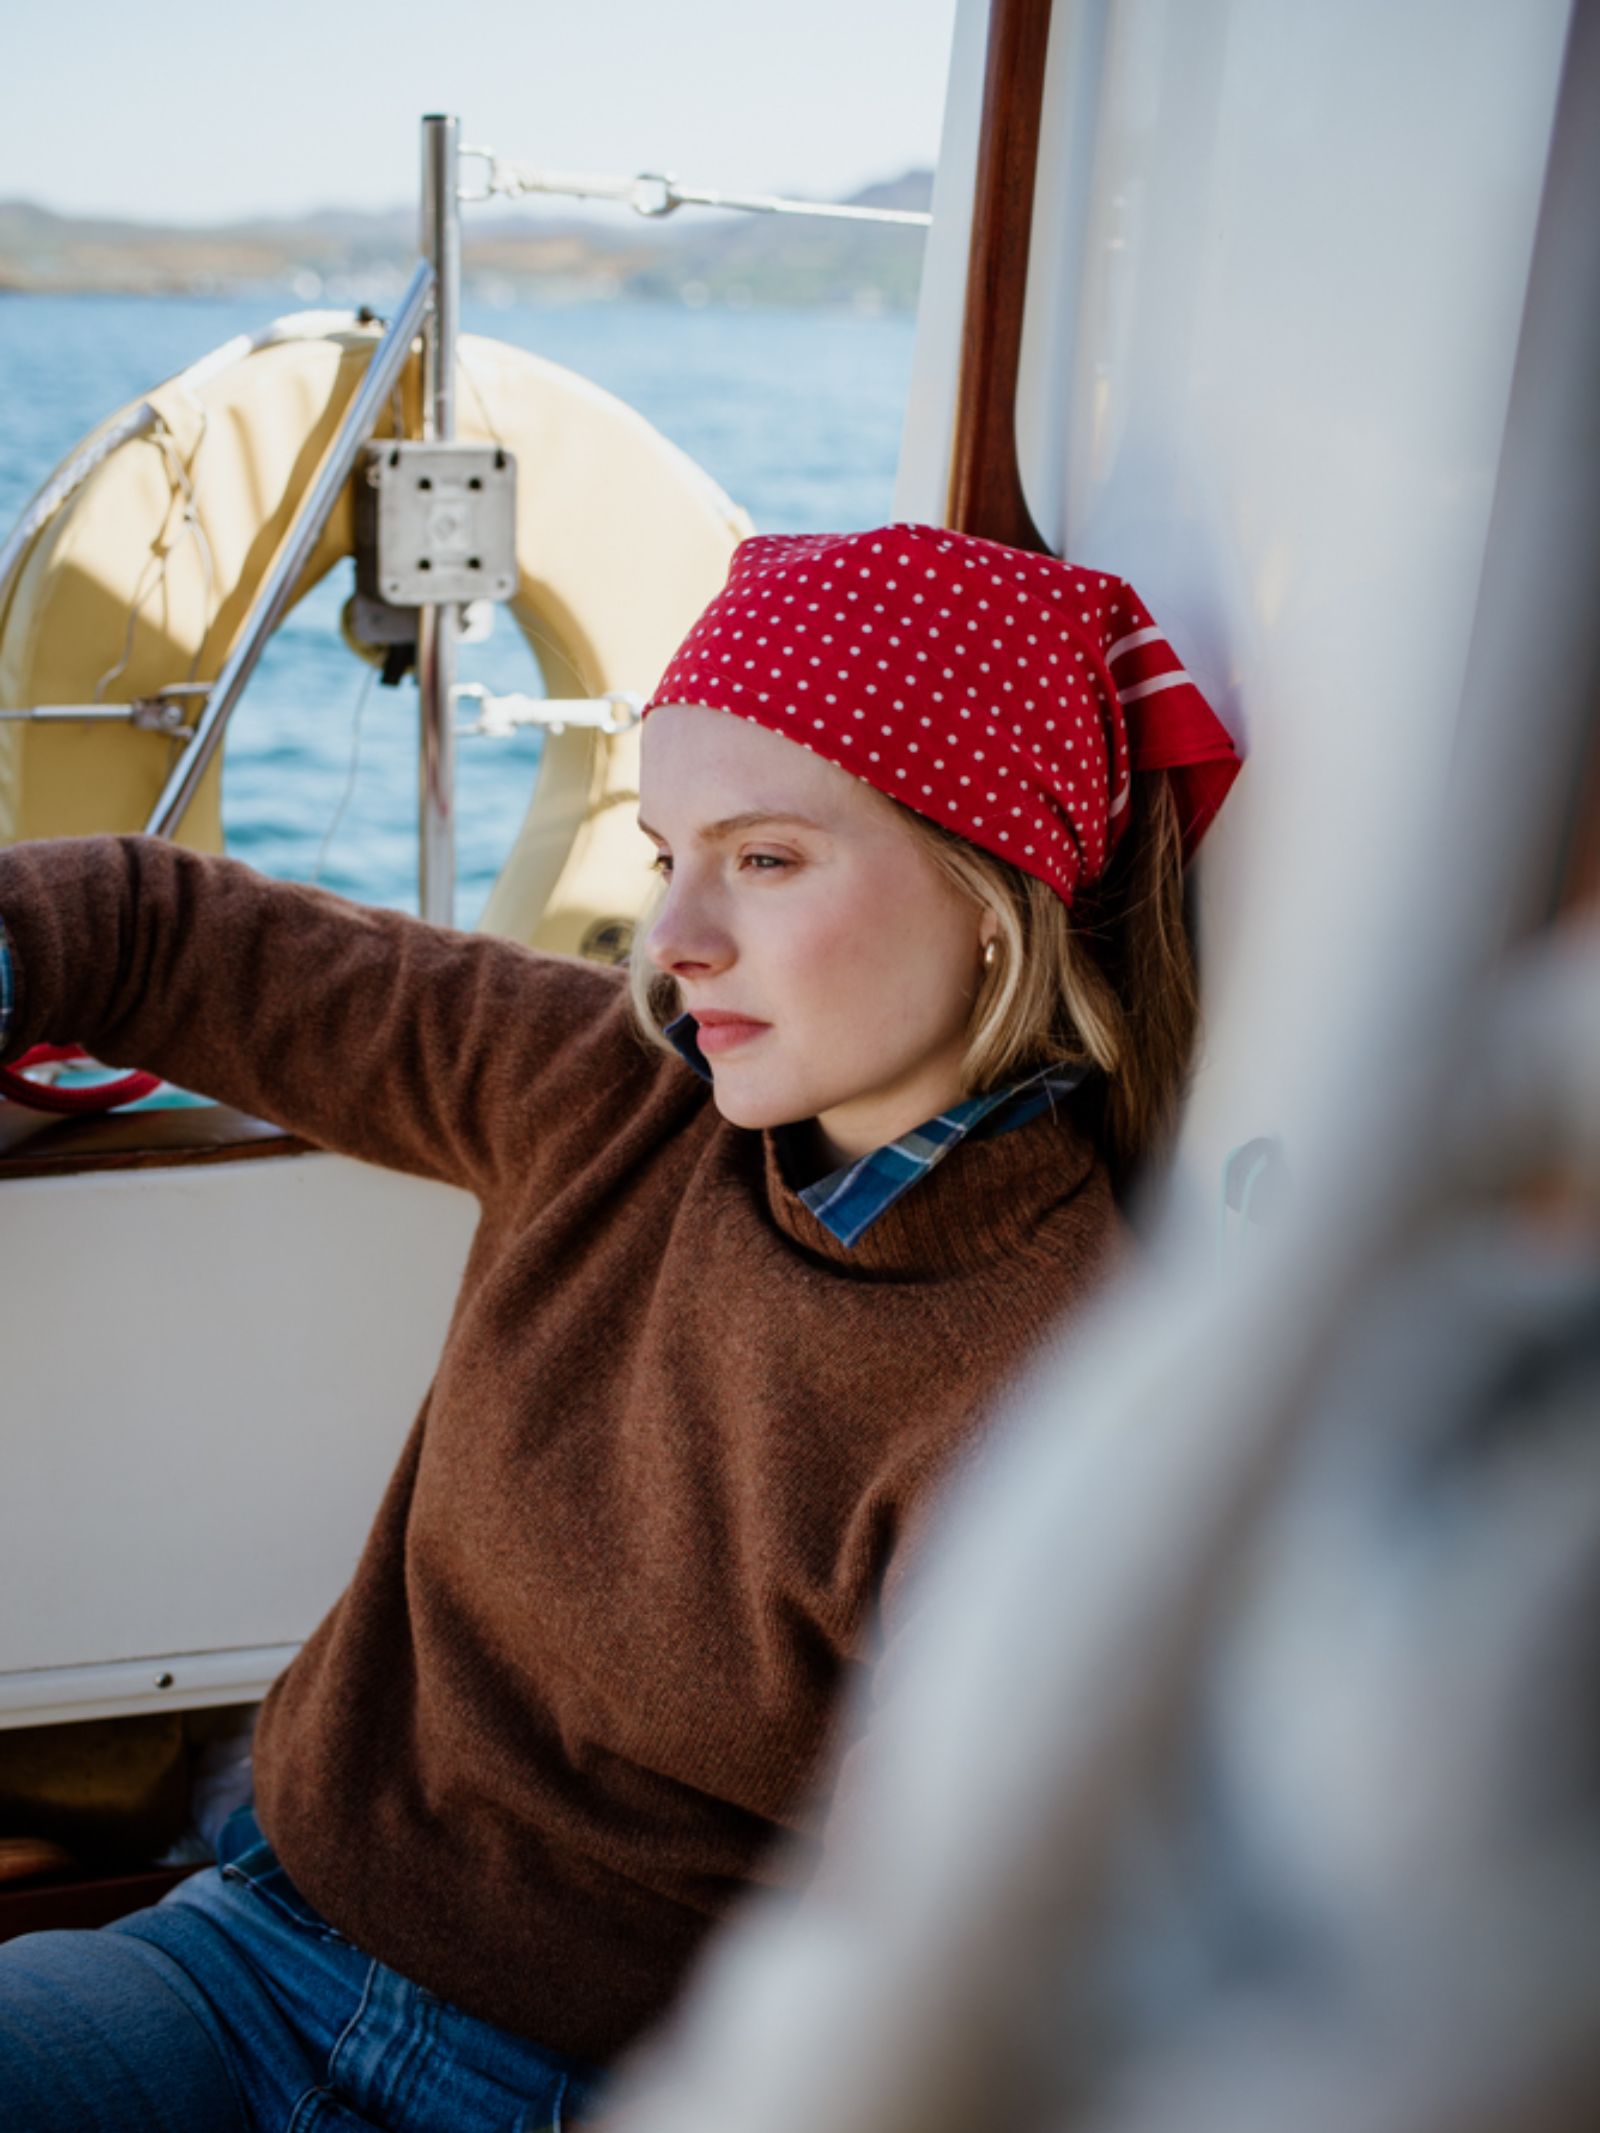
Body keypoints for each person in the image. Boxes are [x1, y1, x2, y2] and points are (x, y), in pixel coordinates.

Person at [0, 522, 1239, 2131]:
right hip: (248, 1954)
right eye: (669, 856)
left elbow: (919, 1953)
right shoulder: (610, 1088)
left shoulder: (1055, 1388)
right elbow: (169, 934)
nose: (674, 940)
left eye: (767, 858)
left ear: (993, 889)